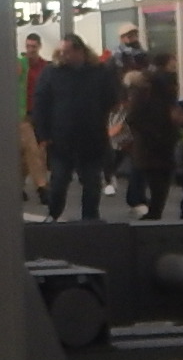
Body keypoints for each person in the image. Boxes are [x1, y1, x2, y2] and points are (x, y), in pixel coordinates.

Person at [32, 33, 120, 221]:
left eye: (67, 52)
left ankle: (90, 218)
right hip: (60, 139)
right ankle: (53, 214)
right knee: (59, 182)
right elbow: (40, 104)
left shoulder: (99, 72)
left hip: (91, 138)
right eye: (61, 51)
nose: (62, 55)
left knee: (92, 183)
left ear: (80, 51)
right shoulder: (51, 73)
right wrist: (43, 135)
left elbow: (110, 99)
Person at [121, 68, 179, 219]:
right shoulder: (169, 99)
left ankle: (150, 209)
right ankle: (156, 210)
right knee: (162, 182)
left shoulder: (142, 96)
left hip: (146, 146)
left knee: (152, 178)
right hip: (164, 144)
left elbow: (131, 118)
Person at [19, 32, 50, 202]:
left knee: (33, 152)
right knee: (32, 148)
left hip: (39, 113)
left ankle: (18, 185)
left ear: (39, 47)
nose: (30, 50)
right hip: (23, 114)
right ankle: (41, 186)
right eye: (28, 46)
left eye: (33, 46)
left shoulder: (45, 67)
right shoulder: (20, 65)